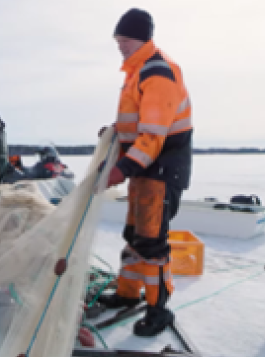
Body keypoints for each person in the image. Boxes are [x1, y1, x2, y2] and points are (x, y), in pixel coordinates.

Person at [97, 8, 193, 337]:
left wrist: (121, 168)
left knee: (152, 243)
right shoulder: (136, 71)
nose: (120, 45)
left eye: (125, 39)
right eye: (117, 40)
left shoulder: (158, 72)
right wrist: (115, 134)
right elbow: (135, 121)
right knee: (134, 235)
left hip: (162, 168)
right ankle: (127, 293)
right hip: (143, 167)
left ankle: (158, 310)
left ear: (142, 37)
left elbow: (154, 134)